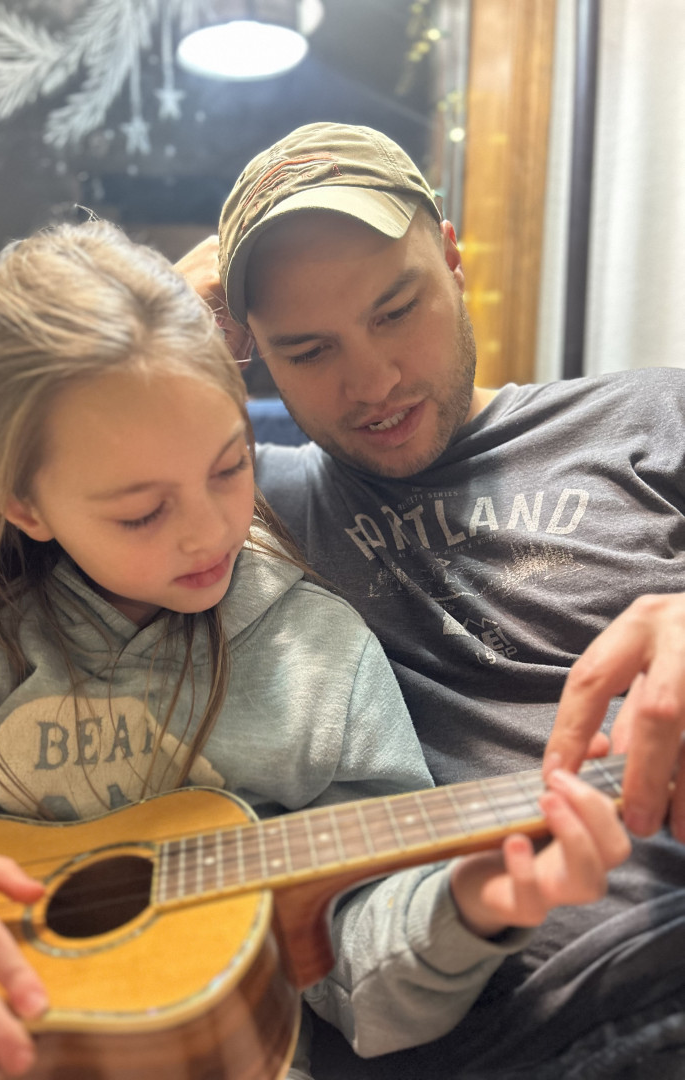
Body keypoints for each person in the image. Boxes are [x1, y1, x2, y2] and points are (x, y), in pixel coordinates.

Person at [0, 219, 628, 1080]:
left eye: (231, 468)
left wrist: (466, 906)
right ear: (25, 508)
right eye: (141, 513)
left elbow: (360, 953)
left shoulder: (318, 656)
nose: (209, 532)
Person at [174, 122, 685, 1077]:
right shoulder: (238, 504)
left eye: (397, 309)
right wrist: (153, 315)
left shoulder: (652, 416)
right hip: (494, 1032)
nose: (373, 382)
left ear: (451, 257)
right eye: (308, 349)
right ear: (252, 354)